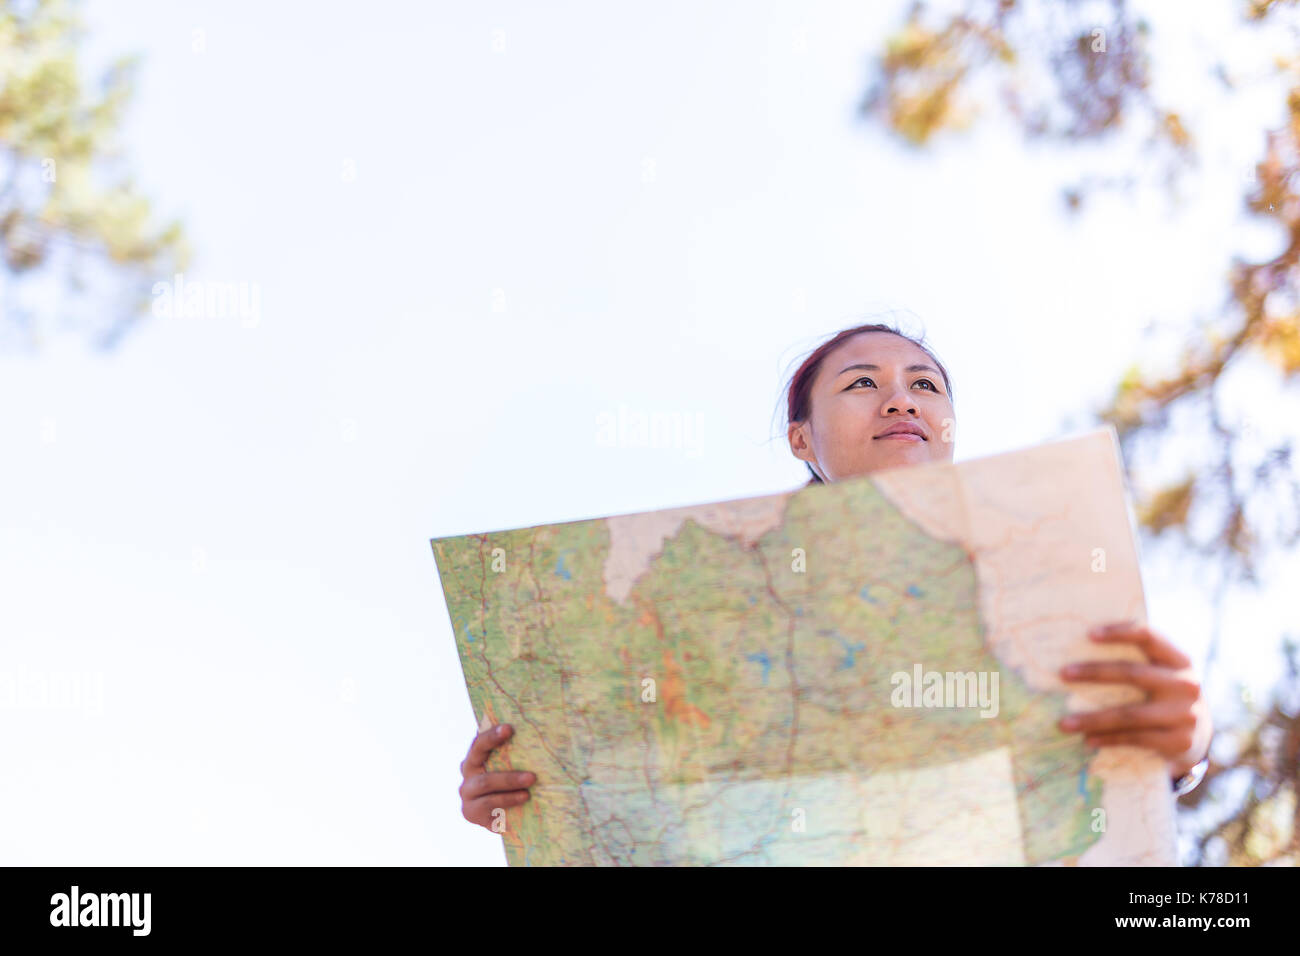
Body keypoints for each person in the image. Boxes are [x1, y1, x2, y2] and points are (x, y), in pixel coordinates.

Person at [458, 321, 1214, 831]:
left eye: (925, 385)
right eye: (861, 384)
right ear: (801, 437)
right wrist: (531, 797)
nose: (899, 399)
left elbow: (1119, 750)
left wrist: (1186, 743)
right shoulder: (700, 598)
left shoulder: (1047, 558)